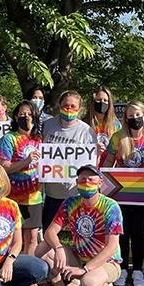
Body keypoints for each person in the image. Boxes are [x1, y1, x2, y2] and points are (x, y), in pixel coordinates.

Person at [36, 165, 122, 286]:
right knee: (42, 249)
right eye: (83, 179)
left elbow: (111, 247)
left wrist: (85, 270)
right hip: (79, 256)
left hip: (107, 261)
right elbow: (50, 232)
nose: (86, 183)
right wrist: (58, 248)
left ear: (100, 183)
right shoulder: (70, 203)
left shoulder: (110, 207)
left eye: (91, 179)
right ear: (76, 182)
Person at [101, 100, 144, 286]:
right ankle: (122, 269)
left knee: (138, 230)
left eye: (138, 115)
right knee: (123, 231)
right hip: (120, 191)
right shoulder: (117, 138)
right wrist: (103, 178)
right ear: (126, 118)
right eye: (131, 116)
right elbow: (109, 162)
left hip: (142, 192)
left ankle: (137, 269)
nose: (135, 119)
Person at [41, 91, 97, 232]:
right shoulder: (47, 126)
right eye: (65, 105)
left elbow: (91, 163)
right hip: (52, 193)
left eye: (73, 106)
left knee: (78, 234)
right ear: (59, 105)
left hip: (75, 194)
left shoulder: (87, 131)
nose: (68, 108)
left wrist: (98, 152)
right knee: (49, 233)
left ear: (79, 110)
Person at [0, 101, 43, 267]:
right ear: (15, 117)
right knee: (11, 238)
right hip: (11, 197)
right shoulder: (8, 139)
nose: (26, 118)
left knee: (31, 239)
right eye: (22, 114)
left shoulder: (41, 140)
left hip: (34, 197)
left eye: (30, 114)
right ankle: (9, 272)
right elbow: (3, 167)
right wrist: (27, 160)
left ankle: (27, 274)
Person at [84, 86, 121, 166]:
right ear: (93, 102)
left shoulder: (116, 125)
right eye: (99, 100)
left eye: (105, 100)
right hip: (89, 168)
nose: (102, 102)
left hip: (110, 170)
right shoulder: (85, 124)